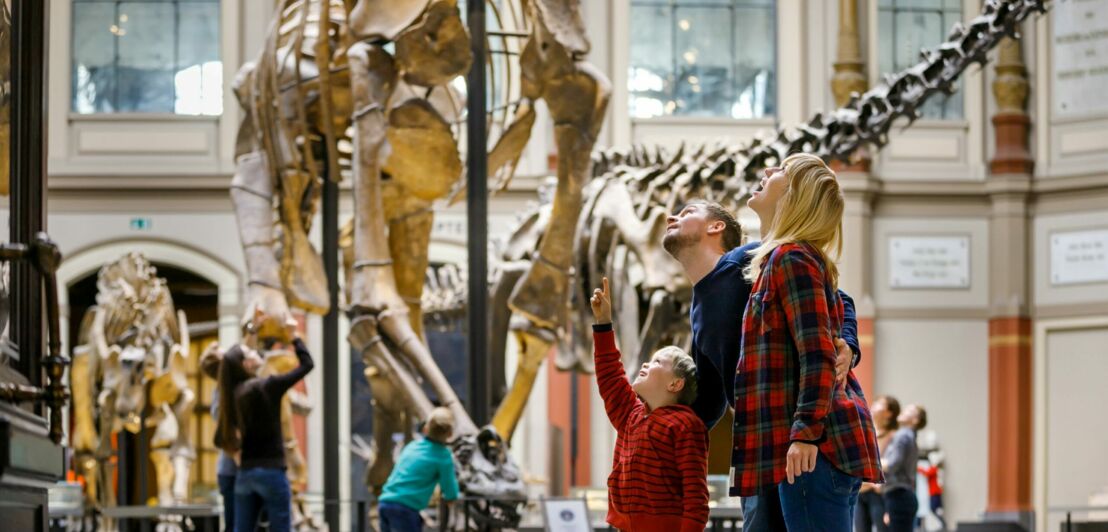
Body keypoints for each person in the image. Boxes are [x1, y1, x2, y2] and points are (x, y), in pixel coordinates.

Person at [663, 196, 863, 532]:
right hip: (758, 449)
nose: (671, 217)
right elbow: (710, 400)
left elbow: (837, 295)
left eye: (687, 212)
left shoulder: (748, 259)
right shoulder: (698, 306)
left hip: (797, 438)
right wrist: (660, 433)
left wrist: (849, 344)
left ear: (716, 226)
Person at [731, 153, 883, 532]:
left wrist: (805, 433)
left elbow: (817, 355)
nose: (768, 170)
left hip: (816, 449)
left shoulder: (792, 258)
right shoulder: (786, 259)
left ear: (795, 194)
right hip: (809, 448)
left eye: (781, 170)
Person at [590, 277, 709, 532]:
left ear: (675, 384)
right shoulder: (630, 416)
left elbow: (695, 497)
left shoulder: (686, 426)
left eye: (657, 362)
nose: (646, 363)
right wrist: (603, 324)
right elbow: (610, 375)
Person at [214, 314, 314, 532]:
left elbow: (219, 437)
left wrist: (253, 330)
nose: (255, 352)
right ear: (247, 364)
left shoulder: (232, 395)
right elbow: (307, 364)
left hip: (246, 475)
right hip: (271, 472)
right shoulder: (268, 386)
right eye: (250, 353)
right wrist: (293, 336)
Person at [376, 407, 460, 532]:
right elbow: (450, 491)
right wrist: (452, 497)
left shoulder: (412, 446)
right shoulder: (443, 456)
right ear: (450, 434)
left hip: (385, 503)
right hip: (405, 508)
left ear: (426, 428)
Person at [201, 343, 239, 532]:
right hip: (232, 471)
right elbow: (225, 432)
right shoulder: (221, 395)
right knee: (234, 523)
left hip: (239, 470)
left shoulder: (231, 389)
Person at [856, 395, 900, 532]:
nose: (874, 405)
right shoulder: (865, 431)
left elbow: (894, 465)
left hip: (881, 494)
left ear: (889, 413)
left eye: (880, 403)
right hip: (860, 491)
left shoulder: (895, 436)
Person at [883, 404, 925, 532]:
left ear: (915, 420)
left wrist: (876, 462)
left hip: (899, 496)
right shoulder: (910, 436)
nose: (904, 410)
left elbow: (892, 464)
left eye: (909, 410)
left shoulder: (903, 435)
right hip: (903, 496)